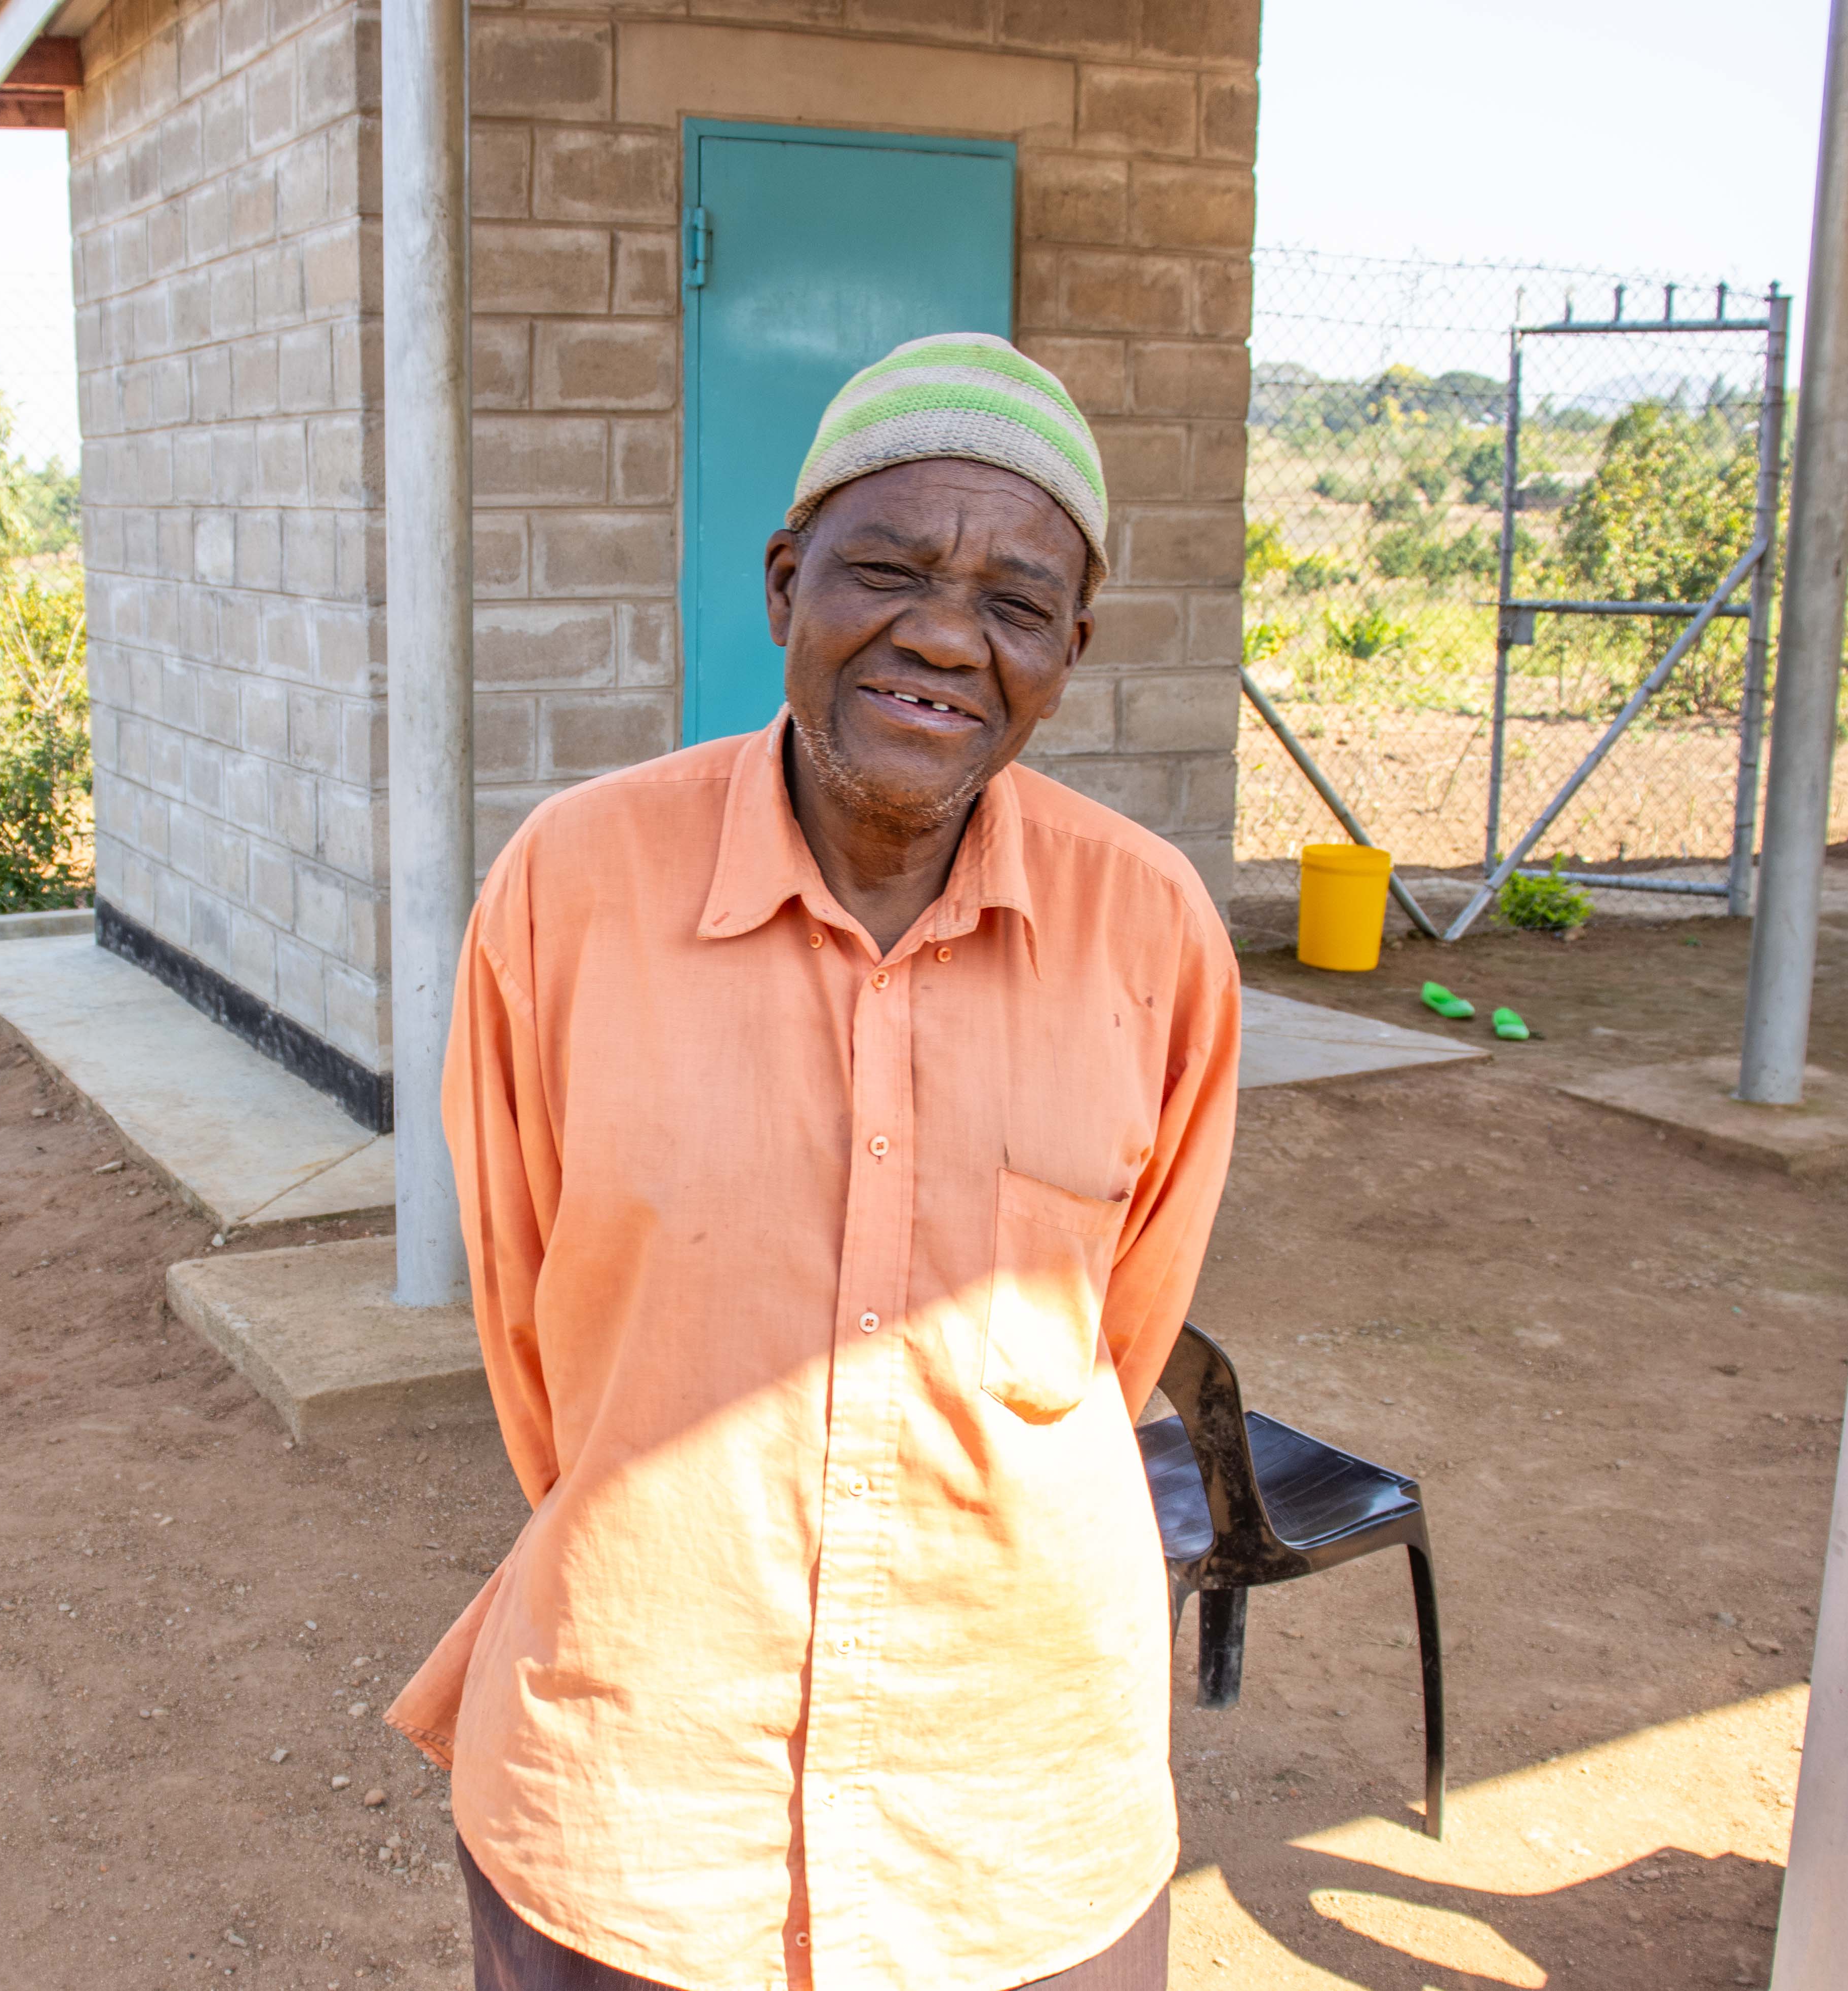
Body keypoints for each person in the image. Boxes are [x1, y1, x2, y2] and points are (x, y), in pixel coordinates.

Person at [388, 332, 1242, 1990]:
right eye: (891, 567)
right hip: (640, 1800)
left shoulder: (1148, 930)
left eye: (1014, 600)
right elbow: (532, 1328)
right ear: (785, 584)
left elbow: (1120, 1326)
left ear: (1068, 653)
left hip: (1015, 1816)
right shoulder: (571, 887)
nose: (943, 632)